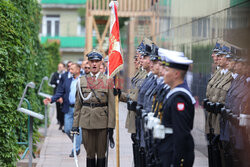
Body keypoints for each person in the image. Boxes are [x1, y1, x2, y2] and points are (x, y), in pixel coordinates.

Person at [71, 51, 115, 167]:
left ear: (101, 63)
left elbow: (111, 105)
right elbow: (78, 105)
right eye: (92, 61)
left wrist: (111, 126)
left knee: (101, 154)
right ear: (88, 63)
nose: (94, 64)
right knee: (89, 153)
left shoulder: (108, 80)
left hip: (102, 121)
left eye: (97, 61)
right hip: (86, 121)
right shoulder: (81, 81)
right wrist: (75, 125)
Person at [158, 49, 195, 167]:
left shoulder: (179, 98)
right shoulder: (174, 94)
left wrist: (176, 162)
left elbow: (181, 134)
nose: (163, 73)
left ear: (176, 74)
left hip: (174, 157)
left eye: (167, 70)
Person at [43, 63, 82, 157]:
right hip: (68, 108)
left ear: (78, 70)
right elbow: (60, 91)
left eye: (72, 69)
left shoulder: (83, 80)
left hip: (80, 109)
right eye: (70, 69)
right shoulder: (67, 81)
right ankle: (76, 141)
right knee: (68, 129)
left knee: (78, 130)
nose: (70, 71)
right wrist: (52, 99)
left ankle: (76, 149)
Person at [50, 62, 65, 130]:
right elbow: (51, 82)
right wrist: (57, 82)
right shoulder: (55, 74)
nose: (60, 68)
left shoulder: (65, 75)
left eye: (61, 67)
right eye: (59, 67)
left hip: (64, 94)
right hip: (57, 93)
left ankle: (63, 122)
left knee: (63, 109)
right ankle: (59, 120)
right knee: (58, 108)